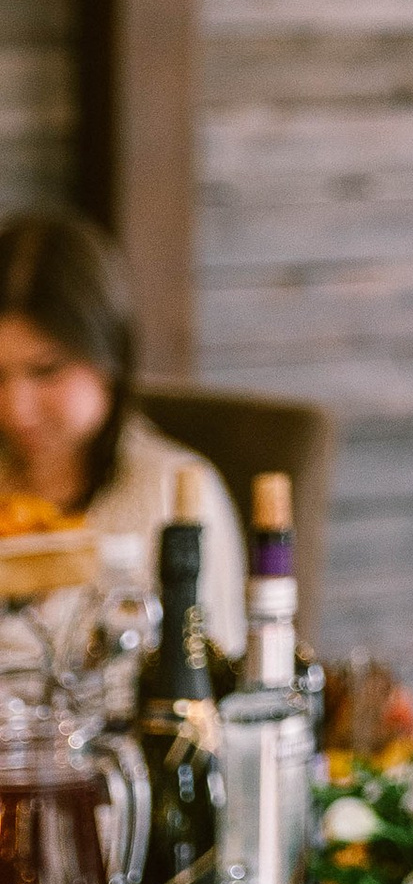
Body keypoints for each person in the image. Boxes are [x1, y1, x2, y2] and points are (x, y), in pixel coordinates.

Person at [0, 211, 247, 655]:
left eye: (47, 371)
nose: (17, 410)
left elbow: (213, 680)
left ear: (108, 358)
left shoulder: (176, 495)